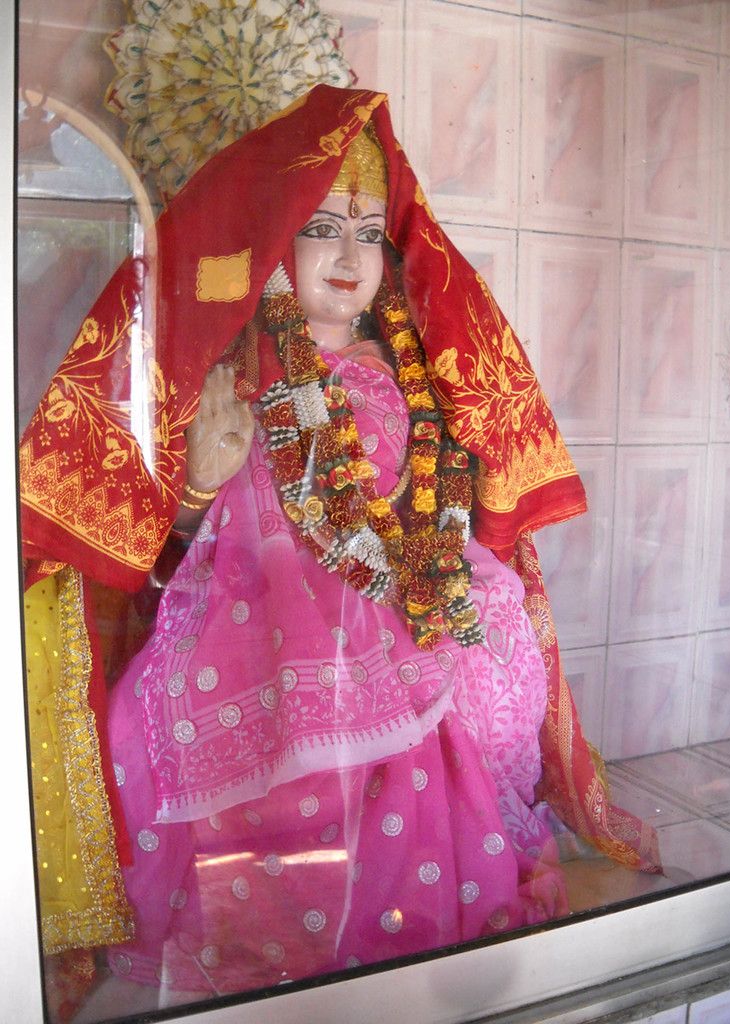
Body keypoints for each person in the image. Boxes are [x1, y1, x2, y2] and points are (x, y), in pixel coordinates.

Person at [20, 85, 659, 1007]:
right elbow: (154, 556)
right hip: (248, 617)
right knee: (139, 734)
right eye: (321, 230)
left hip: (398, 610)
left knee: (450, 697)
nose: (351, 258)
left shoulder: (407, 375)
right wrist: (199, 483)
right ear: (274, 240)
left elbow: (430, 509)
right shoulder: (231, 367)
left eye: (367, 233)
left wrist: (446, 580)